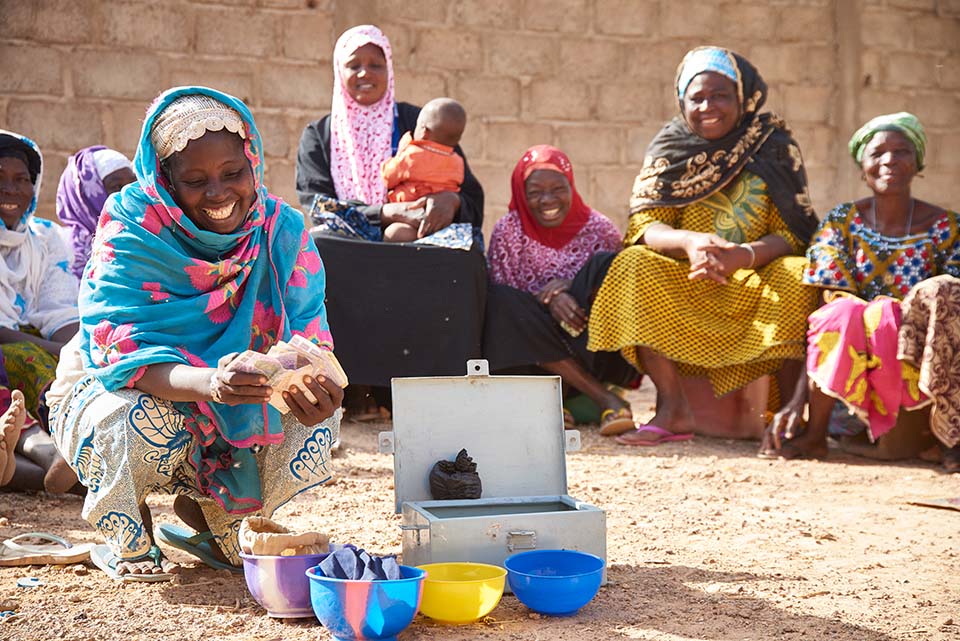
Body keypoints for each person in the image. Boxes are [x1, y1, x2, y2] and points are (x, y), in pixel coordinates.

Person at [47, 87, 344, 580]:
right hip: (123, 388)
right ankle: (129, 531)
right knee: (130, 419)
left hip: (234, 403)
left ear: (253, 163)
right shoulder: (132, 228)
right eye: (194, 180)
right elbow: (118, 351)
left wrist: (318, 389)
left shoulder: (280, 230)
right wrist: (209, 382)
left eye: (233, 174)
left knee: (307, 417)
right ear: (165, 181)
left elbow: (311, 339)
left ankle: (215, 516)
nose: (219, 194)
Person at [586, 47, 820, 446]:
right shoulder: (670, 147)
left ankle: (784, 419)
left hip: (756, 279)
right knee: (632, 264)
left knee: (799, 273)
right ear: (682, 102)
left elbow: (793, 234)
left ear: (742, 97)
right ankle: (673, 407)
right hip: (689, 275)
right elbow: (644, 226)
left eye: (721, 95)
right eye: (697, 98)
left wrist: (741, 256)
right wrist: (691, 243)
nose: (708, 106)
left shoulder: (772, 145)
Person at [295, 25, 486, 413]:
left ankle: (439, 391)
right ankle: (354, 391)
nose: (365, 73)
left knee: (462, 257)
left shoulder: (419, 123)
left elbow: (470, 192)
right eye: (354, 65)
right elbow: (317, 205)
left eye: (375, 64)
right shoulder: (319, 134)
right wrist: (382, 213)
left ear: (389, 69)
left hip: (414, 234)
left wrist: (450, 200)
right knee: (320, 249)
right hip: (353, 239)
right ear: (339, 72)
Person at [760, 112, 960, 472]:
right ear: (861, 165)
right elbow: (828, 311)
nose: (889, 161)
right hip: (850, 381)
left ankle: (949, 436)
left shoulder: (946, 227)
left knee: (946, 292)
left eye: (901, 152)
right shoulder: (840, 223)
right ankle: (817, 434)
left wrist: (896, 317)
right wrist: (796, 402)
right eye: (878, 153)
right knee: (842, 311)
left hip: (919, 372)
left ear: (918, 163)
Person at [483, 145, 637, 433]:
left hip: (589, 344)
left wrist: (570, 287)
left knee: (606, 264)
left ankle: (559, 403)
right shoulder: (509, 230)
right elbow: (506, 310)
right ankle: (603, 399)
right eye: (535, 192)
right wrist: (548, 300)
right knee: (500, 301)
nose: (548, 200)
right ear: (520, 193)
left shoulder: (599, 229)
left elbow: (614, 293)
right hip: (531, 356)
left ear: (572, 184)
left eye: (558, 188)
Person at [0, 130, 81, 492]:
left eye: (21, 180)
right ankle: (57, 457)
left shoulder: (47, 238)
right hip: (10, 349)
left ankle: (73, 458)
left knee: (74, 366)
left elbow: (61, 312)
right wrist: (58, 351)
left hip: (35, 341)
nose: (11, 189)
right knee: (24, 357)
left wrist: (77, 352)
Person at [380, 97, 467, 242]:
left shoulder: (412, 156)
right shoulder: (457, 162)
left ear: (424, 131)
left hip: (410, 215)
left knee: (394, 233)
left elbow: (388, 177)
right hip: (442, 221)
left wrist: (400, 152)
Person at [56, 145, 136, 279]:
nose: (128, 195)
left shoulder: (142, 239)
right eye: (116, 187)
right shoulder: (58, 247)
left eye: (132, 186)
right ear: (86, 197)